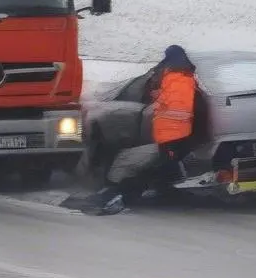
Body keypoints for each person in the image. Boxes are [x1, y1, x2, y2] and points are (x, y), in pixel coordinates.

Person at [83, 45, 199, 216]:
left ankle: (124, 197)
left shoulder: (176, 78)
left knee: (155, 169)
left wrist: (159, 100)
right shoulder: (184, 77)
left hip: (171, 134)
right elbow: (174, 102)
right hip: (177, 134)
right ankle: (164, 193)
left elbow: (174, 104)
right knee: (163, 167)